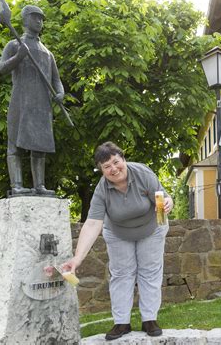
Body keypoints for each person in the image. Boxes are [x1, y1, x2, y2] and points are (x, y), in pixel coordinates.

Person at [61, 142, 174, 341]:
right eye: (107, 166)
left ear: (123, 159)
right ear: (102, 170)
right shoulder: (102, 190)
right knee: (121, 274)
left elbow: (165, 198)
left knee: (149, 271)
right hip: (118, 233)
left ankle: (150, 319)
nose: (113, 169)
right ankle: (122, 322)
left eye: (116, 162)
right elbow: (93, 223)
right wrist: (77, 259)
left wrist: (168, 203)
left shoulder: (143, 174)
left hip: (151, 228)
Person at [0, 5, 64, 196]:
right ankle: (16, 185)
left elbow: (56, 81)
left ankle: (39, 186)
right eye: (35, 18)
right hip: (20, 102)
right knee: (15, 145)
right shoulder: (14, 45)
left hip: (42, 107)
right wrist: (19, 56)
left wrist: (60, 93)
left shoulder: (47, 53)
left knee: (39, 148)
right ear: (25, 19)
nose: (39, 22)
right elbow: (2, 68)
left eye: (41, 19)